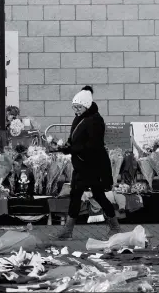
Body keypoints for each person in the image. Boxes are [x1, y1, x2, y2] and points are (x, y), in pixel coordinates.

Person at [53, 86, 121, 240]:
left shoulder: (96, 120)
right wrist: (66, 147)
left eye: (79, 107)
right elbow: (74, 139)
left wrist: (72, 149)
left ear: (87, 106)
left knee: (98, 195)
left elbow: (93, 145)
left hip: (93, 166)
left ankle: (114, 227)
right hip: (81, 164)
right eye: (74, 107)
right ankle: (68, 231)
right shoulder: (79, 118)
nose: (76, 110)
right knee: (78, 195)